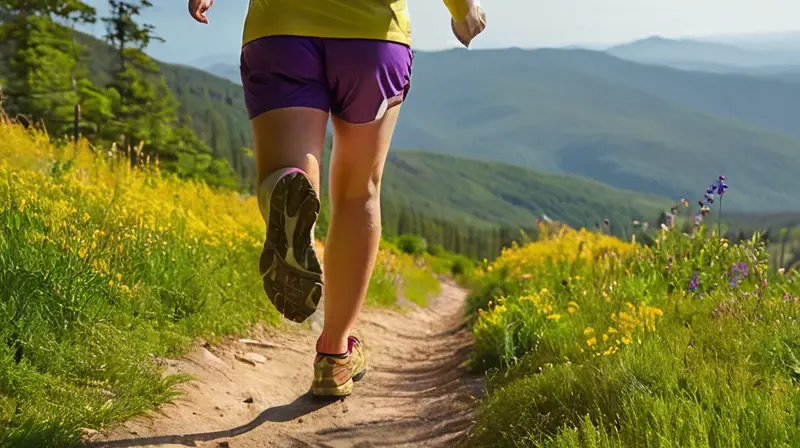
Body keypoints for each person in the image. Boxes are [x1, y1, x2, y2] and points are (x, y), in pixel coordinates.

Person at [188, 0, 486, 397]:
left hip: (280, 28)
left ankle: (289, 187)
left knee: (287, 173)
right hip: (372, 35)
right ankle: (334, 354)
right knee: (357, 190)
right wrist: (463, 9)